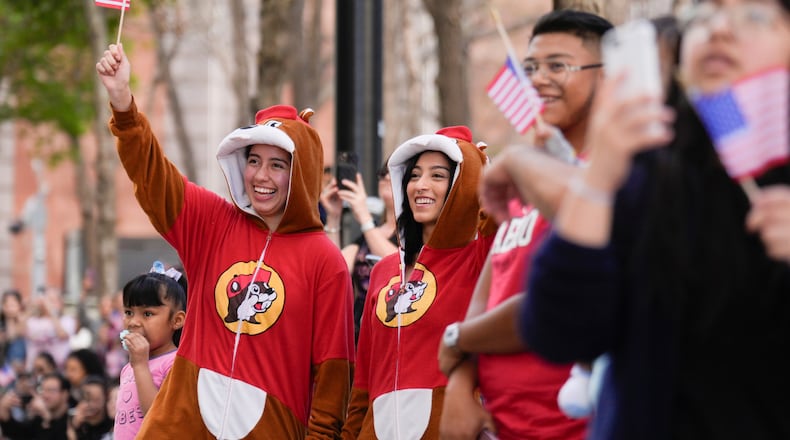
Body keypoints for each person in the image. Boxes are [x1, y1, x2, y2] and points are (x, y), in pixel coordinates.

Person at [520, 0, 790, 438]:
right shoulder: (650, 170)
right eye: (704, 15)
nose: (719, 30)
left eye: (755, 17)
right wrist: (599, 179)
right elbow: (558, 332)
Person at [96, 43, 354, 438]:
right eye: (253, 161)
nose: (261, 176)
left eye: (277, 165)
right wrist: (123, 104)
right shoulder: (213, 222)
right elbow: (152, 175)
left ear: (300, 173)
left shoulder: (325, 260)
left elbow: (333, 371)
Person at [436, 10, 612, 440]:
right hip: (501, 425)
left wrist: (458, 338)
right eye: (532, 67)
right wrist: (460, 386)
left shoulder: (613, 179)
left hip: (578, 425)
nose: (537, 79)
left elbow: (554, 302)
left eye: (558, 65)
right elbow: (491, 287)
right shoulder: (521, 182)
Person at [342, 126, 496, 439]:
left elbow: (500, 222)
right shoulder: (384, 271)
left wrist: (481, 177)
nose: (420, 185)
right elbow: (364, 380)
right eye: (414, 175)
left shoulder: (479, 259)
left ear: (460, 184)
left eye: (437, 176)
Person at [320, 162, 398, 340]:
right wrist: (333, 217)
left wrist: (364, 216)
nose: (387, 177)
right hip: (358, 335)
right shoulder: (368, 235)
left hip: (392, 332)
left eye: (394, 172)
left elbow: (399, 264)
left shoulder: (415, 235)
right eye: (383, 172)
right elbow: (335, 271)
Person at [113, 265, 186, 439]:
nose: (133, 322)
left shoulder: (176, 363)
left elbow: (158, 418)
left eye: (147, 314)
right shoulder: (129, 367)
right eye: (129, 312)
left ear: (177, 320)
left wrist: (140, 365)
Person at [0, 372, 71, 440]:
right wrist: (5, 414)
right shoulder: (39, 418)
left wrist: (47, 417)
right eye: (43, 390)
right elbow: (21, 435)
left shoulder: (73, 418)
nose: (45, 395)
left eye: (51, 390)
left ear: (65, 394)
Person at [66, 375, 112, 440]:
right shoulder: (73, 423)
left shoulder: (113, 425)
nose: (91, 405)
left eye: (96, 400)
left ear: (106, 398)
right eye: (87, 399)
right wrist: (74, 428)